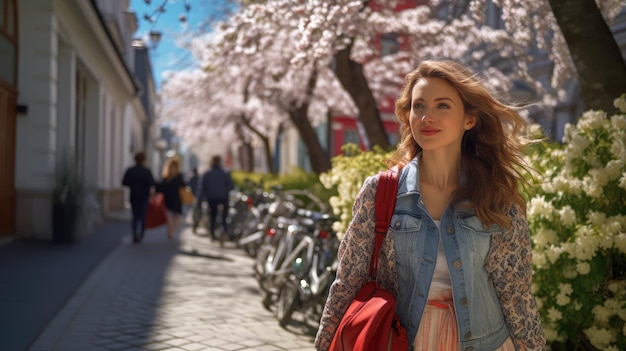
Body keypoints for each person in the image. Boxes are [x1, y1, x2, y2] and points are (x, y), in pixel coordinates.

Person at [315, 60, 546, 351]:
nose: (427, 117)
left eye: (443, 106)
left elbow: (516, 293)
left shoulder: (495, 197)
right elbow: (347, 282)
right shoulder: (380, 192)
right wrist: (324, 344)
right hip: (401, 341)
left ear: (469, 119)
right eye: (419, 106)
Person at [122, 152, 155, 244]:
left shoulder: (131, 170)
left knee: (135, 217)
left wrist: (133, 184)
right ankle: (141, 235)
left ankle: (134, 235)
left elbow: (124, 182)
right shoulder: (146, 171)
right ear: (144, 160)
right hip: (144, 196)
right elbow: (152, 183)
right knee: (143, 216)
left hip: (134, 196)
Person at [200, 155, 234, 241]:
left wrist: (203, 197)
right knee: (224, 216)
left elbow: (203, 187)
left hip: (211, 198)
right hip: (223, 197)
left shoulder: (207, 174)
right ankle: (224, 231)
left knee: (213, 216)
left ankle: (212, 233)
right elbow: (231, 186)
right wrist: (225, 190)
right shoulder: (224, 173)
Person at [157, 157, 186, 240]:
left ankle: (170, 231)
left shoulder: (166, 176)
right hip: (176, 199)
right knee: (176, 216)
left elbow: (160, 188)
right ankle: (171, 232)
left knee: (169, 216)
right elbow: (183, 185)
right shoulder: (178, 176)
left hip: (167, 199)